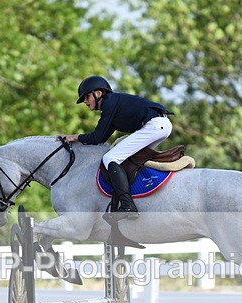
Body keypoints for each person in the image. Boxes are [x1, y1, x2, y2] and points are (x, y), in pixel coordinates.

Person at [59, 75, 173, 219]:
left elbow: (95, 137)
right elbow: (99, 138)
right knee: (128, 158)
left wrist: (74, 137)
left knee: (110, 157)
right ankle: (141, 191)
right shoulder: (114, 105)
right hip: (160, 125)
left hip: (154, 126)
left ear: (99, 93)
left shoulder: (109, 102)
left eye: (87, 97)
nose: (85, 102)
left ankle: (127, 206)